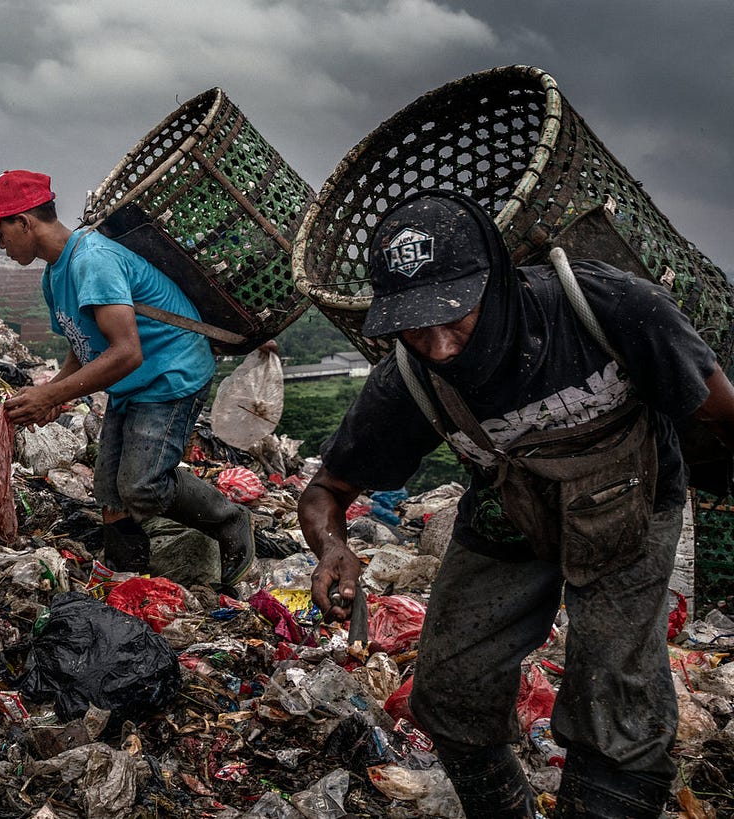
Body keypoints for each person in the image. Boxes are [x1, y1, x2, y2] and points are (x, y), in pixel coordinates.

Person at [299, 190, 734, 818]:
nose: (441, 346)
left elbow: (722, 414)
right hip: (509, 517)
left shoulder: (606, 308)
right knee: (450, 689)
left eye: (457, 316)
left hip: (630, 506)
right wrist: (332, 547)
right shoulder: (410, 380)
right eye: (415, 328)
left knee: (616, 698)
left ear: (498, 282)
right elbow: (327, 491)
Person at [0, 169, 255, 589]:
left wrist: (51, 394)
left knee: (142, 487)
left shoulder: (92, 260)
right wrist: (53, 394)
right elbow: (83, 341)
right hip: (132, 382)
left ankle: (230, 520)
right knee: (109, 491)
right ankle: (127, 572)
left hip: (170, 372)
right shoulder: (54, 274)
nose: (1, 246)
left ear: (24, 222)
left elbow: (127, 351)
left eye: (1, 234)